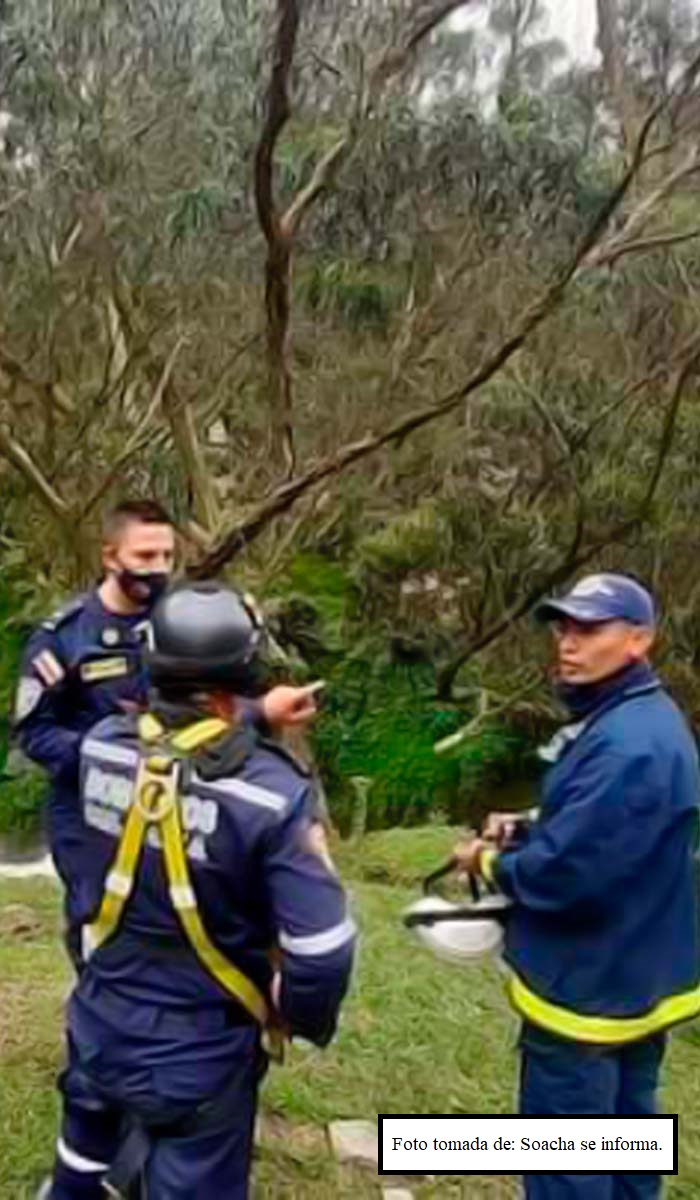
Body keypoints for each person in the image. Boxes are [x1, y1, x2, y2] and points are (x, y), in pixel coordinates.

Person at [44, 581, 356, 1200]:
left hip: (100, 1024)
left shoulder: (103, 750)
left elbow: (170, 743)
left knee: (79, 1166)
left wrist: (254, 714)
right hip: (199, 1056)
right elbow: (321, 952)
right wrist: (295, 1013)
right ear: (247, 669)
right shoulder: (271, 796)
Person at [455, 573, 700, 1200]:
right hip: (640, 978)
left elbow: (564, 876)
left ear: (640, 639)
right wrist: (531, 823)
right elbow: (613, 827)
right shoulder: (641, 718)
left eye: (590, 629)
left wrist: (484, 862)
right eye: (563, 627)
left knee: (569, 1153)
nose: (568, 642)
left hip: (586, 993)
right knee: (629, 1134)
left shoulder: (626, 745)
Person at [12, 498, 322, 895]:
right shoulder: (63, 637)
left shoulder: (184, 620)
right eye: (145, 555)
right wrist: (111, 757)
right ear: (110, 556)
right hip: (93, 813)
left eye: (167, 555)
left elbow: (210, 707)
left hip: (185, 804)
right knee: (103, 931)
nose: (158, 567)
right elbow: (35, 733)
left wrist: (263, 709)